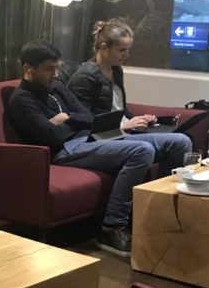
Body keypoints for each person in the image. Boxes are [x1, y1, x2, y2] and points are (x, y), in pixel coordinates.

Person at [7, 40, 154, 257]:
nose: (56, 75)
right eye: (49, 69)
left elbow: (88, 116)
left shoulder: (56, 87)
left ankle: (158, 218)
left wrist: (66, 117)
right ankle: (112, 227)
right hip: (66, 150)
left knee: (176, 141)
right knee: (142, 150)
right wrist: (73, 125)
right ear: (29, 69)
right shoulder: (21, 100)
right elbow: (52, 137)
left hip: (91, 137)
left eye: (56, 68)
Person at [67, 18, 192, 176]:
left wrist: (139, 119)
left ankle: (162, 193)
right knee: (173, 144)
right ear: (104, 48)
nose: (126, 54)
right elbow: (83, 120)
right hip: (101, 136)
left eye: (128, 49)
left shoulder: (116, 70)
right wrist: (122, 127)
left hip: (121, 130)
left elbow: (120, 108)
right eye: (121, 50)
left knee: (182, 141)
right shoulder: (85, 77)